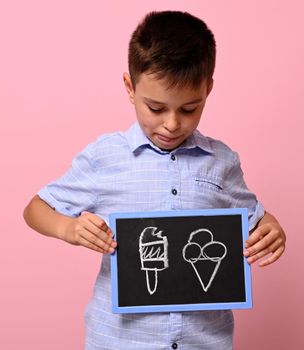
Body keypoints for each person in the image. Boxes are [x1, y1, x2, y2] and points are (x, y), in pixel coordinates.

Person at [23, 10, 286, 349]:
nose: (173, 124)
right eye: (156, 108)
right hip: (120, 341)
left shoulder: (221, 162)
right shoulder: (106, 157)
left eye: (189, 109)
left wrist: (272, 230)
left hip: (202, 341)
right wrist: (69, 229)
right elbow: (36, 209)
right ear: (130, 88)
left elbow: (256, 219)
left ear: (208, 89)